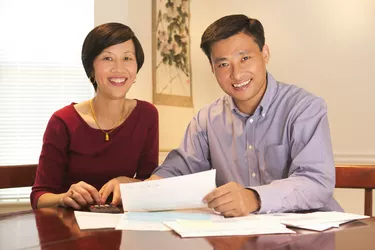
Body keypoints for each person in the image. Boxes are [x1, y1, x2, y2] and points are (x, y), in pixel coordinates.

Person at [150, 14, 342, 217]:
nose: (236, 74)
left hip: (309, 236)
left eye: (245, 58)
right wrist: (143, 189)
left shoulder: (304, 108)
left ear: (265, 53)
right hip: (241, 237)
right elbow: (179, 169)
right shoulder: (205, 120)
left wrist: (253, 198)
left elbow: (316, 182)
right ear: (212, 68)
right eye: (223, 64)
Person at [31, 23, 159, 209]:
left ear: (136, 68)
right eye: (108, 58)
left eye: (127, 58)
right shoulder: (63, 121)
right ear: (91, 68)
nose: (119, 68)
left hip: (124, 230)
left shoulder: (147, 114)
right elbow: (39, 197)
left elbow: (151, 183)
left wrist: (129, 182)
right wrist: (64, 198)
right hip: (69, 229)